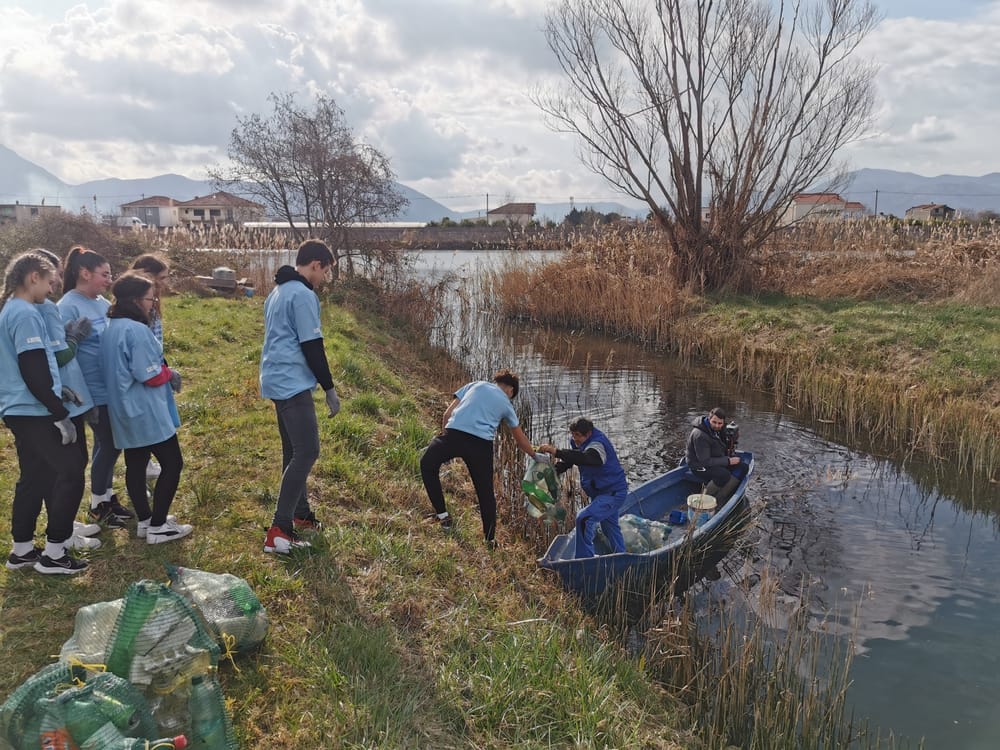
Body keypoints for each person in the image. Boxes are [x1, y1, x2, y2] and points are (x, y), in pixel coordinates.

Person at [0, 251, 89, 574]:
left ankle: (22, 549)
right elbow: (32, 364)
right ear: (33, 277)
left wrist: (56, 388)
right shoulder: (25, 313)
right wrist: (57, 411)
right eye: (49, 281)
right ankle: (54, 554)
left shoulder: (13, 308)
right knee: (71, 470)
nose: (52, 289)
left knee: (34, 476)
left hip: (21, 405)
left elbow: (32, 367)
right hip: (32, 409)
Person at [259, 239, 340, 555]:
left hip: (275, 379)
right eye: (325, 272)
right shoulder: (303, 295)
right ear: (316, 264)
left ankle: (300, 513)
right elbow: (312, 346)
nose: (324, 279)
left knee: (293, 450)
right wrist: (330, 389)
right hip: (292, 382)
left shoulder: (277, 291)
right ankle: (279, 530)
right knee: (307, 451)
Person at [101, 271, 191, 544]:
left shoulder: (111, 327)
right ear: (137, 300)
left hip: (122, 409)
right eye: (151, 299)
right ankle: (159, 526)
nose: (153, 304)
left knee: (136, 464)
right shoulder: (136, 330)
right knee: (173, 463)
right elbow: (149, 375)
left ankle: (145, 520)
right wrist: (170, 373)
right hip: (144, 410)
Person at [420, 368, 540, 546]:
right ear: (511, 390)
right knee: (485, 493)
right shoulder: (507, 404)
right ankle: (490, 540)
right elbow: (519, 437)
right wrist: (534, 454)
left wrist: (444, 439)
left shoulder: (475, 385)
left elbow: (447, 414)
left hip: (454, 435)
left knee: (427, 465)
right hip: (481, 445)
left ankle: (443, 517)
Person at [58, 246, 130, 529]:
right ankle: (98, 503)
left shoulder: (101, 302)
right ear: (84, 273)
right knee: (109, 444)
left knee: (111, 444)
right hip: (90, 389)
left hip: (111, 385)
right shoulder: (67, 306)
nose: (108, 279)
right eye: (104, 274)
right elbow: (62, 354)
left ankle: (108, 496)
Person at [35, 248, 102, 551]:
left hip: (73, 396)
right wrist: (74, 339)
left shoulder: (46, 307)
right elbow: (56, 356)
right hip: (60, 399)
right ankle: (59, 535)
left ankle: (64, 523)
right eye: (56, 274)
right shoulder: (51, 309)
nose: (59, 280)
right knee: (67, 469)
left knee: (76, 462)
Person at [539, 417, 628, 558]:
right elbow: (573, 458)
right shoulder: (579, 442)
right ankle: (622, 556)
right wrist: (553, 471)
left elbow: (586, 458)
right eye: (573, 435)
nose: (574, 439)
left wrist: (556, 451)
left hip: (613, 493)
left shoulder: (597, 445)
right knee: (609, 527)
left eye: (578, 435)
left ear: (588, 434)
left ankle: (584, 560)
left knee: (584, 519)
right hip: (601, 493)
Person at [130, 253, 172, 480]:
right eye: (162, 278)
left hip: (156, 370)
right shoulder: (137, 312)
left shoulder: (152, 305)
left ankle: (144, 464)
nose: (165, 284)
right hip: (146, 376)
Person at [685, 407, 743, 501]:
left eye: (720, 423)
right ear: (709, 419)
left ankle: (722, 495)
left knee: (742, 466)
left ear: (723, 422)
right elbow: (705, 461)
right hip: (698, 466)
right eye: (714, 422)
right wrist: (728, 461)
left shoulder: (719, 429)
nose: (717, 425)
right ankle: (704, 500)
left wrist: (734, 438)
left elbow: (725, 444)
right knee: (723, 475)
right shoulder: (700, 435)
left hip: (713, 458)